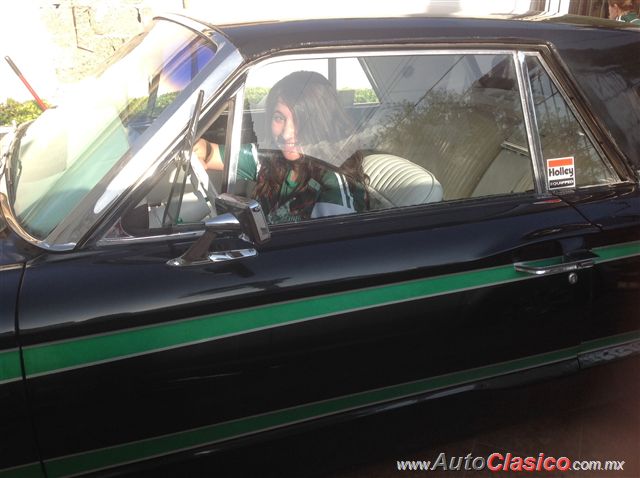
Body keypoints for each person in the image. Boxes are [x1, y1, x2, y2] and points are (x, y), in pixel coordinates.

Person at [193, 71, 368, 224]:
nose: (286, 134)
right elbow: (209, 154)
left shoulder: (335, 187)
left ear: (320, 124)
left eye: (300, 120)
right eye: (279, 118)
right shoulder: (272, 159)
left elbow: (327, 255)